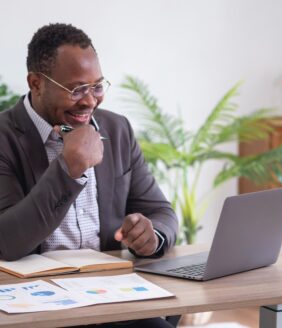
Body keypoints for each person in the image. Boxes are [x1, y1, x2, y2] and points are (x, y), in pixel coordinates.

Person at [0, 23, 178, 328]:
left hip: (111, 297)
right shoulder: (4, 137)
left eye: (97, 86)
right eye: (76, 89)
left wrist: (151, 236)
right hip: (38, 308)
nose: (90, 101)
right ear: (36, 83)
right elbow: (7, 241)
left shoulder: (116, 129)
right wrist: (70, 169)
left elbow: (160, 211)